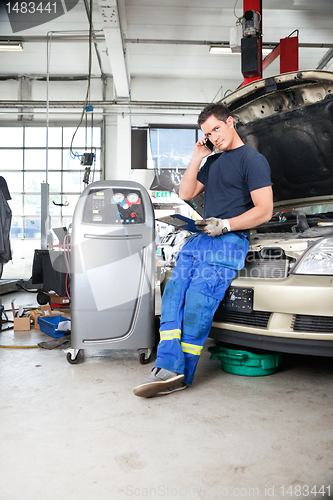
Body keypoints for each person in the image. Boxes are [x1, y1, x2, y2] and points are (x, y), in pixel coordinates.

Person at [133, 103, 273, 398]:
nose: (214, 136)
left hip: (227, 242)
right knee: (172, 297)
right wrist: (198, 155)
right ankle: (166, 366)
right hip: (200, 240)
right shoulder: (211, 163)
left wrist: (226, 225)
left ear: (231, 122)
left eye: (217, 129)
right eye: (208, 133)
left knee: (198, 303)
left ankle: (181, 373)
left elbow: (264, 211)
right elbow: (185, 194)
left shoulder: (253, 160)